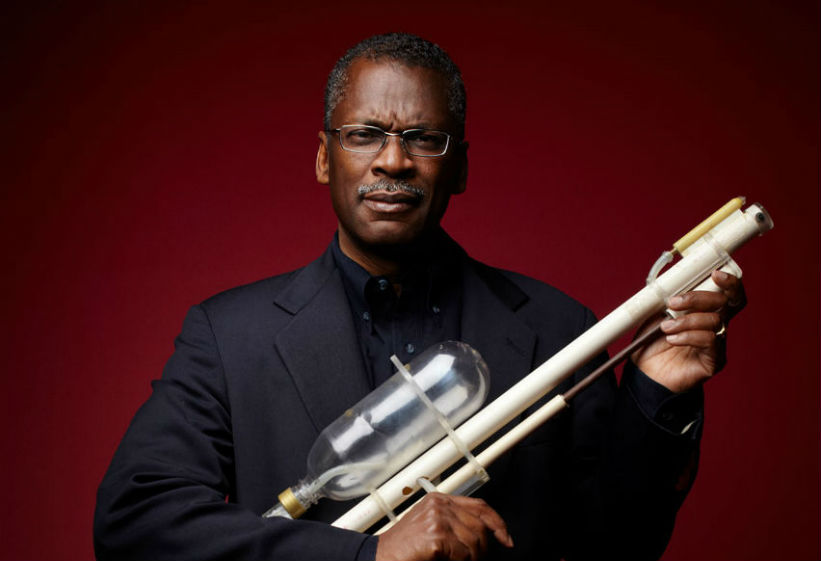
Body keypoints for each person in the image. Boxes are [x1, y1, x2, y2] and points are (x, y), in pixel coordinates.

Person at [94, 33, 745, 561]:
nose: (392, 161)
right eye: (363, 133)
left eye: (423, 139)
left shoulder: (556, 328)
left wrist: (659, 389)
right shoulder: (228, 335)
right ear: (324, 158)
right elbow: (135, 522)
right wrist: (365, 555)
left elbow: (618, 545)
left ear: (458, 167)